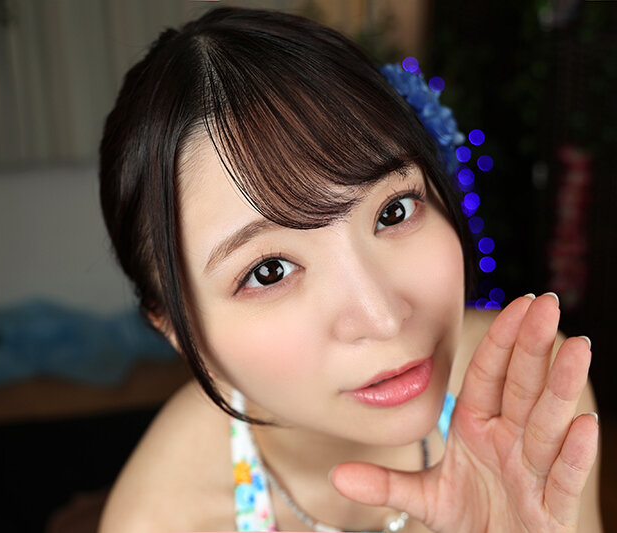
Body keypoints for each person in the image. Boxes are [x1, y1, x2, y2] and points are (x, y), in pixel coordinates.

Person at [96, 7, 601, 532]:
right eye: (269, 271)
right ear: (176, 330)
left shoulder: (532, 396)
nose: (383, 318)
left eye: (393, 211)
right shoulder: (162, 521)